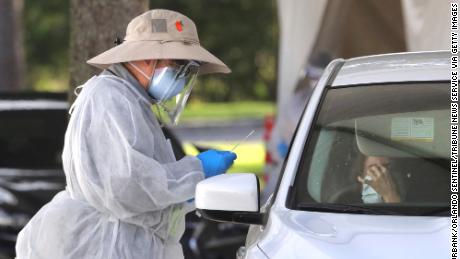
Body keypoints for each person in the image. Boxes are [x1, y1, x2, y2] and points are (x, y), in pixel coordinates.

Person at [16, 9, 237, 259]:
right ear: (146, 58)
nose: (182, 76)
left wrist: (190, 186)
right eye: (178, 65)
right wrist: (196, 169)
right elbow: (129, 187)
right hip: (105, 245)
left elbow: (143, 190)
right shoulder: (110, 97)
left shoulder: (130, 100)